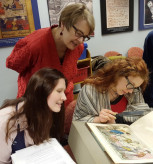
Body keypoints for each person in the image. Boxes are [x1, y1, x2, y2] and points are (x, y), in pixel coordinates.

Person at [6, 3, 95, 132]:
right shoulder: (35, 45)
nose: (81, 41)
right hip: (36, 108)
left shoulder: (78, 48)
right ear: (63, 24)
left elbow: (68, 76)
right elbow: (12, 63)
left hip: (60, 107)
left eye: (85, 36)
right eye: (78, 33)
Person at [0, 68, 67, 164]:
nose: (64, 97)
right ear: (41, 92)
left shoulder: (48, 111)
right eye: (59, 91)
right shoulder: (5, 121)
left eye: (64, 91)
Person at [73, 57, 152, 124]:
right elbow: (77, 121)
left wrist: (118, 118)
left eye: (135, 87)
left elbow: (142, 113)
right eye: (131, 84)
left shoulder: (134, 90)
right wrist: (98, 119)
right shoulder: (90, 90)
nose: (131, 91)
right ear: (119, 74)